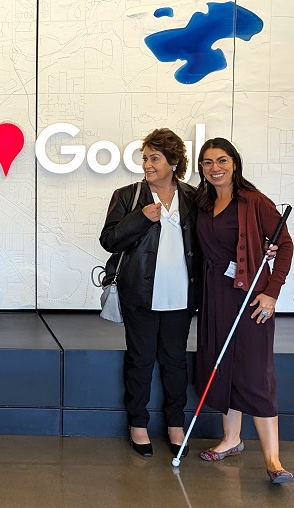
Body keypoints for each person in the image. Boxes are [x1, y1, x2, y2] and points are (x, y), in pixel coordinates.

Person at [194, 137, 294, 484]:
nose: (215, 168)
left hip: (251, 298)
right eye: (207, 162)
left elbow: (285, 245)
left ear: (234, 163)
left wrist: (272, 293)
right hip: (214, 298)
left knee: (254, 373)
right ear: (201, 168)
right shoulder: (202, 203)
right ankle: (231, 439)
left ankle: (273, 460)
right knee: (222, 367)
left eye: (221, 160)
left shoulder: (253, 202)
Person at [99, 128, 198, 459]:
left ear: (173, 161)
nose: (147, 164)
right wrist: (140, 219)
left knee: (175, 362)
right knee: (139, 360)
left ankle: (175, 425)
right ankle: (138, 424)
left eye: (155, 158)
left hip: (181, 296)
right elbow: (109, 240)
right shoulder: (128, 195)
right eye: (145, 157)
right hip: (139, 294)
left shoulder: (193, 197)